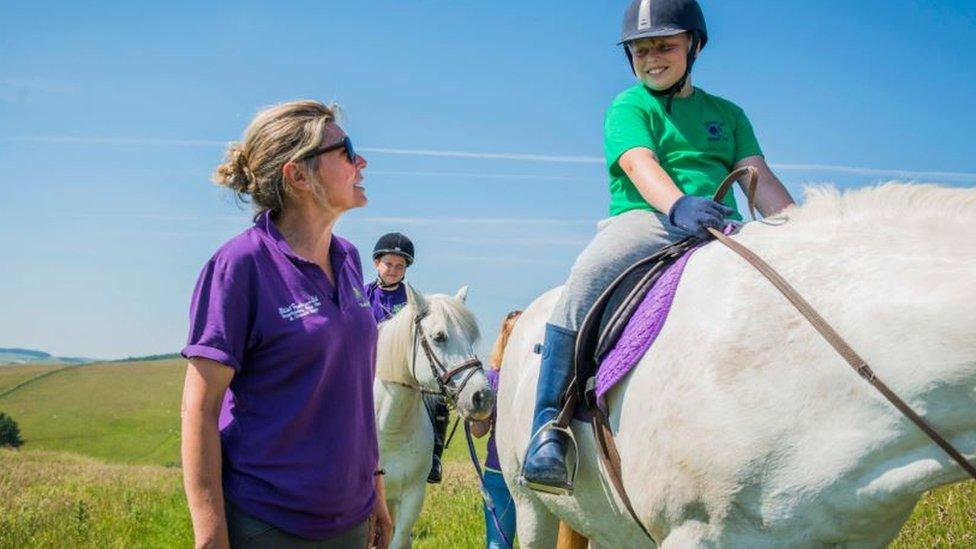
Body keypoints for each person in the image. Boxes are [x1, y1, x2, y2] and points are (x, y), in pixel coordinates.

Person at [519, 0, 796, 495]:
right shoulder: (629, 106)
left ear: (694, 45)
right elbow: (638, 162)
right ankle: (549, 427)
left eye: (665, 46)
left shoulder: (727, 114)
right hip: (650, 220)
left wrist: (799, 229)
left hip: (723, 224)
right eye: (641, 50)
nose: (652, 58)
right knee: (585, 277)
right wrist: (676, 205)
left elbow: (761, 179)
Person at [180, 100, 393, 548]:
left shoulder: (351, 259)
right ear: (299, 176)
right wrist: (210, 532)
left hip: (351, 518)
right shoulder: (240, 266)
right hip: (269, 522)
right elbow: (199, 408)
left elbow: (353, 386)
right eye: (345, 151)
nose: (361, 162)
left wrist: (374, 483)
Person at [364, 233, 451, 485]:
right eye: (388, 264)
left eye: (399, 266)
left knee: (437, 398)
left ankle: (434, 456)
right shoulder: (362, 294)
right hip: (367, 365)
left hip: (403, 371)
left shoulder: (414, 301)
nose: (393, 270)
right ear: (376, 263)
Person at [472, 310, 522, 548]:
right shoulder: (492, 378)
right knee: (498, 544)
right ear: (504, 336)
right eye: (510, 332)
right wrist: (474, 412)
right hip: (498, 473)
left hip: (531, 475)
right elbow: (479, 431)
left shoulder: (538, 376)